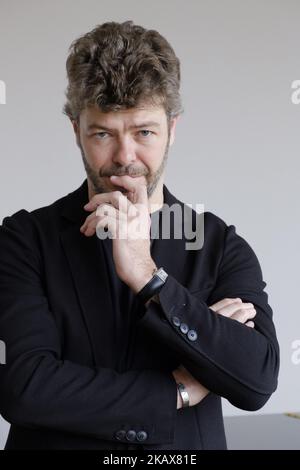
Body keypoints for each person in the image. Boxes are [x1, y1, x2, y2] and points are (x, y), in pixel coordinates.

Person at [0, 20, 279, 450]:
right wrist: (177, 391)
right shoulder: (24, 239)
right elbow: (24, 387)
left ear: (172, 128)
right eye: (103, 134)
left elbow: (256, 380)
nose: (125, 157)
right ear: (76, 130)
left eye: (144, 132)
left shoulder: (219, 246)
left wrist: (151, 278)